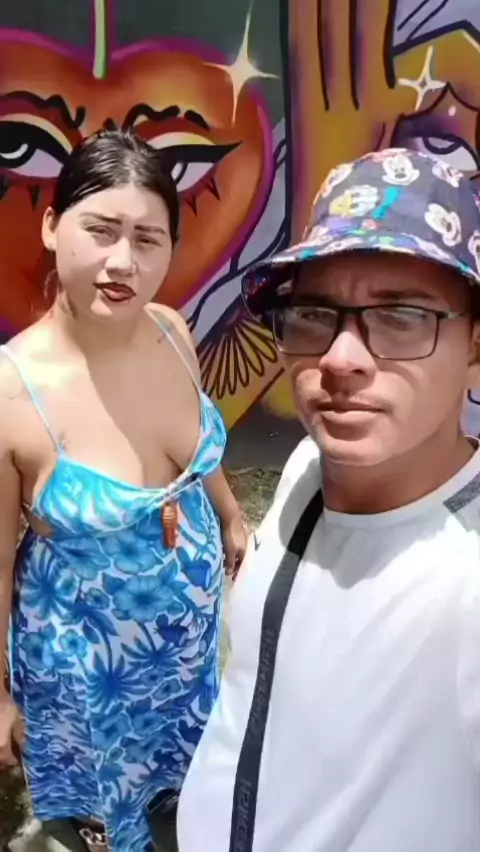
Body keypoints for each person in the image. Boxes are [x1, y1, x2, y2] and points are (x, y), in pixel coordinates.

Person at [177, 148, 480, 852]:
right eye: (314, 313)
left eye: (402, 315)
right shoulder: (308, 469)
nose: (340, 358)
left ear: (474, 345)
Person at [0, 128, 246, 852]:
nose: (123, 262)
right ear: (51, 226)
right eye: (101, 230)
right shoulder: (13, 392)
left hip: (188, 649)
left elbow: (193, 452)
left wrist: (230, 516)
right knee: (109, 822)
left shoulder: (170, 330)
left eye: (147, 239)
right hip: (91, 676)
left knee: (189, 791)